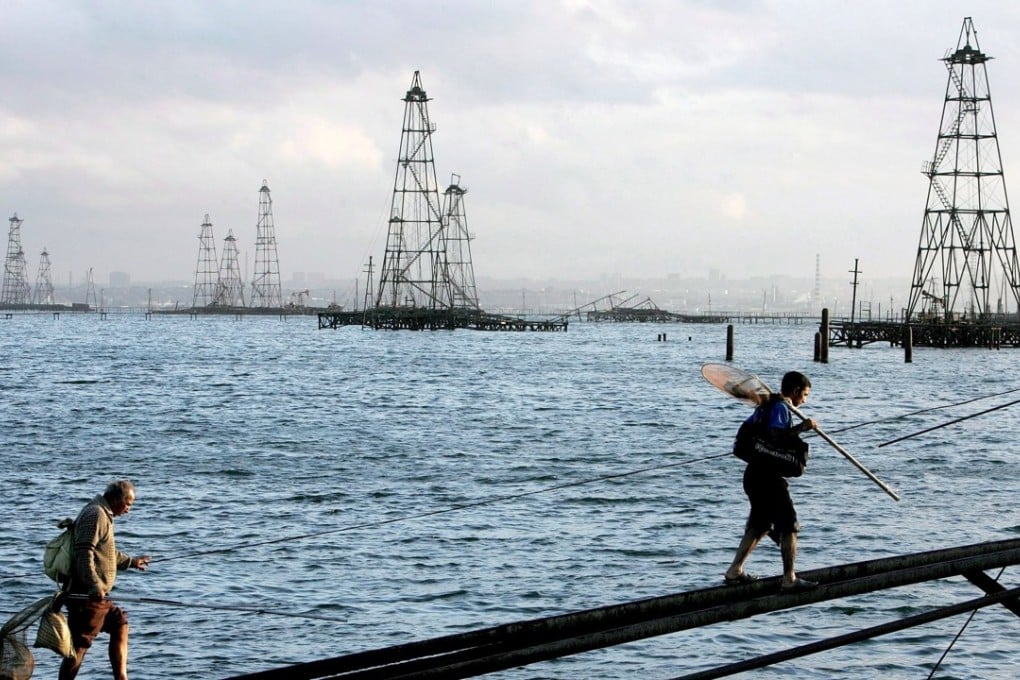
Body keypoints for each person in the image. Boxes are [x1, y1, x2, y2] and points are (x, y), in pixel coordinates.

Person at [723, 371, 818, 592]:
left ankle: (734, 571)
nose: (804, 400)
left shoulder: (768, 406)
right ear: (794, 391)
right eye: (804, 394)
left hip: (753, 475)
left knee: (761, 524)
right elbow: (775, 436)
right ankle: (789, 579)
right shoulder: (779, 408)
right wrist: (802, 428)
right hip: (766, 477)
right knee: (789, 526)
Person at [60, 480, 151, 680]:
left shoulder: (103, 513)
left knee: (120, 622)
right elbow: (84, 552)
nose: (128, 510)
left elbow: (106, 553)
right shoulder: (96, 514)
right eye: (128, 504)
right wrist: (94, 585)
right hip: (86, 594)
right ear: (117, 499)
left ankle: (121, 677)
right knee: (80, 645)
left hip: (94, 593)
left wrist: (132, 562)